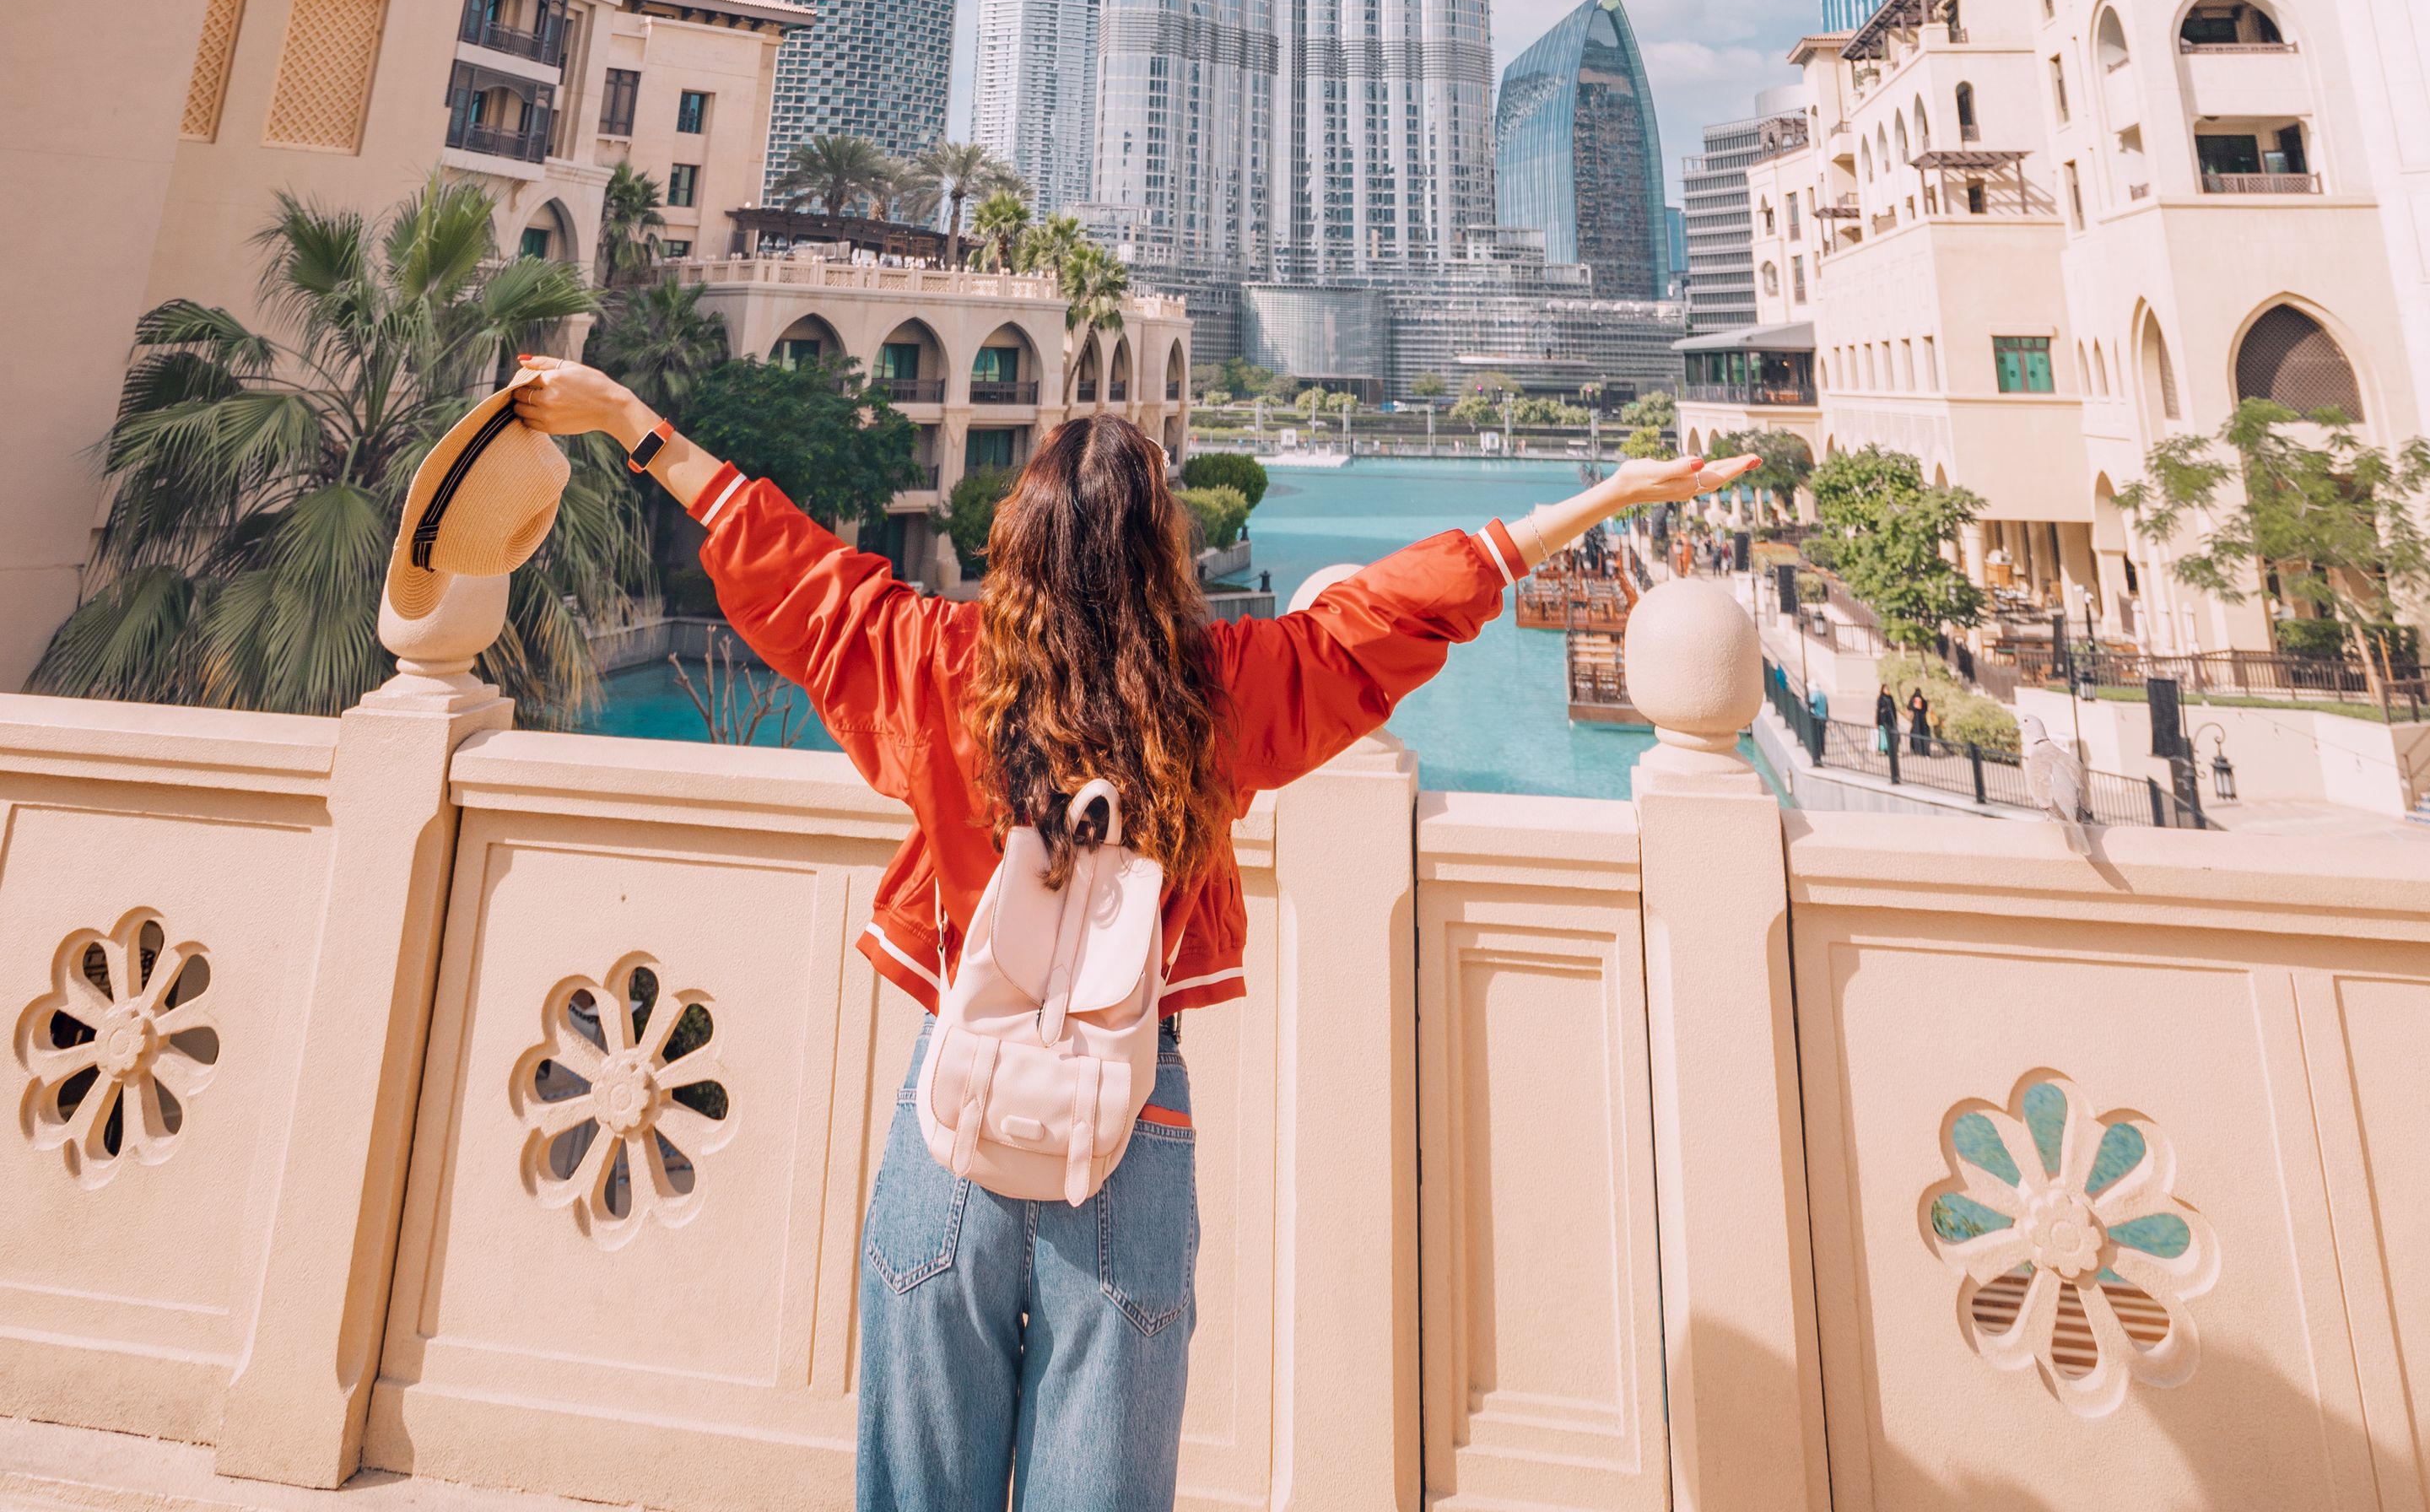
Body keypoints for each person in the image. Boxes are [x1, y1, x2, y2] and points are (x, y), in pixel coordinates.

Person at [510, 354, 1752, 1512]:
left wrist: (630, 420)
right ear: (1164, 550)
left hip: (955, 1108)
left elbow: (790, 570)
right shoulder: (1223, 692)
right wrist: (1600, 500)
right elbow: (1396, 610)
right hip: (1133, 1114)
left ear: (1018, 541)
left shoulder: (938, 663)